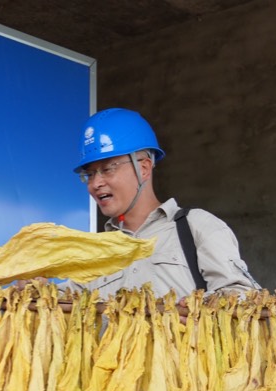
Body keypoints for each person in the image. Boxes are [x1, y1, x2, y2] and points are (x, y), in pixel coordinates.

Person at [66, 107, 259, 300]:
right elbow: (61, 302)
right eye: (89, 174)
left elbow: (243, 296)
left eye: (107, 169)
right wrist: (37, 287)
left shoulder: (197, 227)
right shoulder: (97, 252)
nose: (95, 183)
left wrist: (197, 311)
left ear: (143, 168)